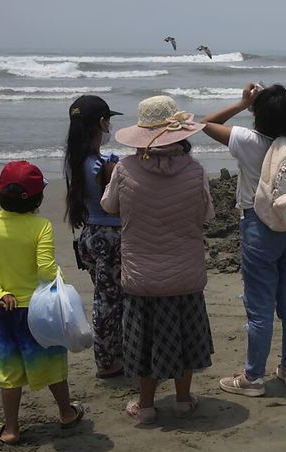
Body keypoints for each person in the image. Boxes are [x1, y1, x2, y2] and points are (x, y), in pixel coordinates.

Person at [101, 95, 215, 424]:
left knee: (143, 340)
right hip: (185, 273)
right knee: (186, 338)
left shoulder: (124, 169)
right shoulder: (195, 171)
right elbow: (206, 214)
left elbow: (109, 206)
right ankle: (182, 399)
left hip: (141, 276)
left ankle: (146, 405)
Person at [200, 83, 286, 397]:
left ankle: (253, 378)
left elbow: (204, 123)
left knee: (260, 307)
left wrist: (242, 102)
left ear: (258, 115)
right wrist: (261, 102)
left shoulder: (248, 140)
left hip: (260, 228)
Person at [0, 161, 84, 444]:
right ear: (37, 197)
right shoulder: (41, 226)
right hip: (37, 310)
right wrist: (59, 279)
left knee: (9, 372)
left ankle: (10, 429)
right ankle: (66, 412)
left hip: (2, 309)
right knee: (50, 361)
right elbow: (45, 268)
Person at [63, 95, 125, 379]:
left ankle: (111, 354)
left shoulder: (78, 161)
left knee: (105, 298)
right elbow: (115, 201)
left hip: (90, 233)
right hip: (110, 235)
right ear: (101, 123)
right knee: (109, 302)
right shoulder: (102, 165)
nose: (109, 125)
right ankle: (107, 361)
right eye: (108, 120)